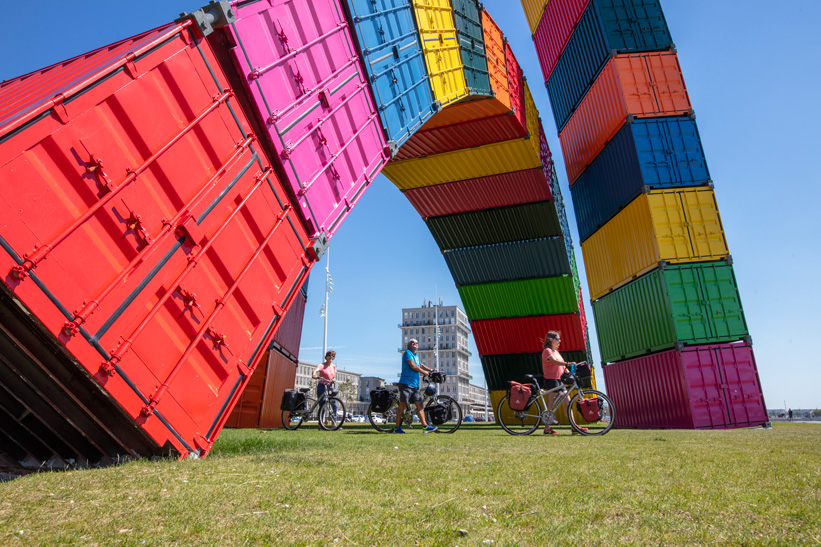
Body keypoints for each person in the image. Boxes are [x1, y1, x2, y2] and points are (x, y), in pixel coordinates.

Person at [541, 330, 585, 435]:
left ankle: (574, 426)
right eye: (558, 339)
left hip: (560, 380)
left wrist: (567, 369)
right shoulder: (547, 351)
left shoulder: (556, 352)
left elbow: (561, 365)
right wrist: (568, 363)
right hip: (551, 380)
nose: (559, 341)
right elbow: (554, 362)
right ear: (551, 339)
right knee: (551, 404)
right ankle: (547, 428)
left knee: (568, 403)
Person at [394, 339, 437, 433]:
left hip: (414, 385)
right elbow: (413, 366)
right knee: (402, 405)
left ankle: (425, 427)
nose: (414, 344)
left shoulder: (416, 356)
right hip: (406, 383)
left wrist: (430, 370)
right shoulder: (407, 353)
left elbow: (420, 365)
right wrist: (425, 373)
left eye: (416, 343)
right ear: (408, 345)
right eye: (412, 342)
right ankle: (397, 428)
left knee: (420, 405)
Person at [313, 351, 337, 421]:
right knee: (322, 406)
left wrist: (334, 379)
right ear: (326, 357)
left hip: (329, 387)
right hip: (322, 386)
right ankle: (321, 423)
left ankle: (334, 423)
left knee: (334, 405)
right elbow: (315, 370)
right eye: (329, 355)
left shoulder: (334, 367)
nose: (331, 357)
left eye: (333, 356)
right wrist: (314, 374)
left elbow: (334, 377)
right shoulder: (322, 365)